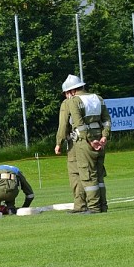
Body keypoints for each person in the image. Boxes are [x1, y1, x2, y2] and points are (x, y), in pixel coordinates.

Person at [64, 76, 111, 213]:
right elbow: (107, 120)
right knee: (99, 175)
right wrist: (104, 136)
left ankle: (94, 207)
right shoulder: (98, 98)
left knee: (88, 174)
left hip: (85, 141)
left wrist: (90, 140)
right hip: (100, 139)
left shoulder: (74, 101)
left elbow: (79, 124)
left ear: (72, 91)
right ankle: (103, 205)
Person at [55, 75, 88, 213]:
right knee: (92, 172)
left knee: (75, 173)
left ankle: (80, 205)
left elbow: (63, 125)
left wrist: (59, 143)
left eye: (65, 93)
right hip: (94, 140)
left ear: (70, 91)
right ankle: (97, 203)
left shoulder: (68, 103)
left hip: (76, 142)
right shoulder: (94, 98)